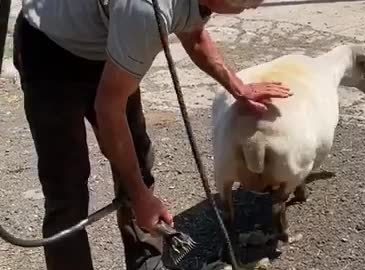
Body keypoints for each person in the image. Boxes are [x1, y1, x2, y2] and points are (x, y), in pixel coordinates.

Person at [12, 0, 291, 269]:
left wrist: (238, 87)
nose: (256, 5)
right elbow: (109, 109)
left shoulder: (180, 7)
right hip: (49, 50)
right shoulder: (145, 10)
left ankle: (148, 263)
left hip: (105, 46)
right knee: (67, 188)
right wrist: (140, 195)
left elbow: (193, 33)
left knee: (138, 164)